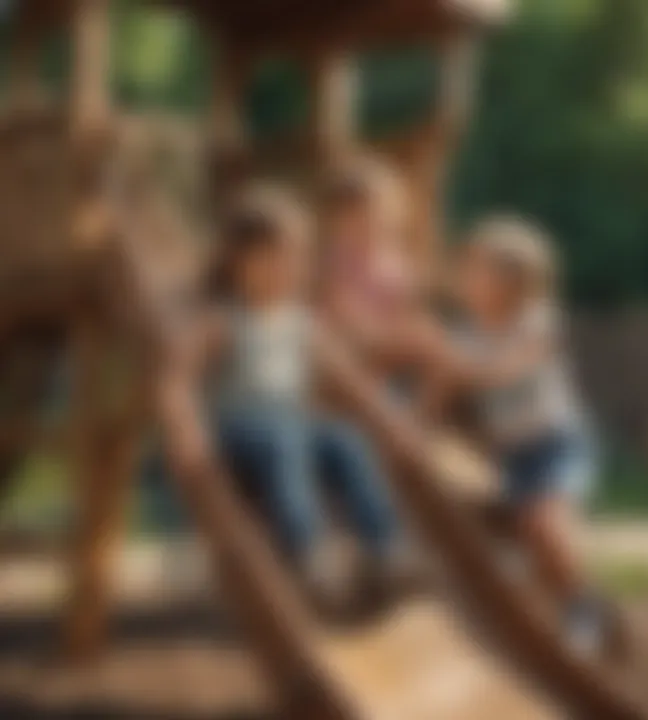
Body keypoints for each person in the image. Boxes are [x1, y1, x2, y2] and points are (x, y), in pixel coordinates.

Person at [193, 185, 413, 607]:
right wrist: (187, 433)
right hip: (240, 429)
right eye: (274, 257)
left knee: (346, 441)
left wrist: (390, 423)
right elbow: (175, 380)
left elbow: (350, 382)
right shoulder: (222, 320)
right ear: (239, 262)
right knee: (285, 442)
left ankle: (384, 547)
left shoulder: (301, 323)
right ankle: (309, 552)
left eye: (296, 258)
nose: (288, 269)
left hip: (291, 423)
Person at [425, 215, 604, 655]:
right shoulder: (462, 336)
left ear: (512, 281)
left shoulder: (537, 322)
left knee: (543, 523)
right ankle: (547, 617)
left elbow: (509, 368)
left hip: (555, 444)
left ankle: (582, 608)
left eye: (476, 270)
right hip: (509, 455)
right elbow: (438, 397)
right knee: (517, 541)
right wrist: (420, 423)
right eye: (464, 269)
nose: (463, 279)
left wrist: (458, 371)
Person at [318, 155, 439, 394]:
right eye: (362, 217)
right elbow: (339, 309)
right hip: (349, 342)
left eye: (384, 213)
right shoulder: (337, 259)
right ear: (340, 221)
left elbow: (407, 310)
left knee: (434, 346)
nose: (374, 224)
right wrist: (382, 335)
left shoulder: (396, 261)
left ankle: (423, 412)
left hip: (387, 345)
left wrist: (410, 330)